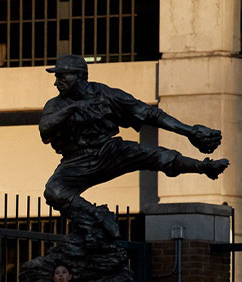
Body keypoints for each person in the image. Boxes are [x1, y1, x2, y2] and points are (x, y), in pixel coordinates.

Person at [40, 54, 228, 239]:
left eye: (61, 76)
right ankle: (98, 216)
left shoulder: (106, 95)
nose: (57, 82)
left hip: (108, 151)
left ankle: (203, 167)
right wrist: (73, 108)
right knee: (53, 191)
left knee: (155, 155)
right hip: (76, 160)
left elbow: (149, 114)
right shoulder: (56, 104)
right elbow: (45, 129)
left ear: (79, 75)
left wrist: (189, 132)